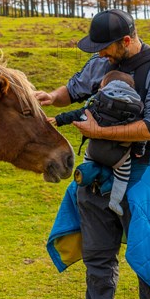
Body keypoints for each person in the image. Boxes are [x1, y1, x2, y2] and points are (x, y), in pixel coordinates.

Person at [37, 9, 150, 299]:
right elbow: (74, 89)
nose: (100, 54)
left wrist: (98, 132)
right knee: (97, 259)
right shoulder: (100, 63)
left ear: (126, 41)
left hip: (140, 175)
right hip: (96, 175)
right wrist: (51, 97)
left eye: (105, 47)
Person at [51, 70, 144, 216]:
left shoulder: (99, 102)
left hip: (94, 150)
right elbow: (140, 132)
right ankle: (114, 201)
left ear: (105, 86)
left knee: (87, 163)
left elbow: (78, 114)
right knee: (122, 177)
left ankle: (83, 183)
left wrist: (59, 119)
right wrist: (139, 149)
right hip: (118, 158)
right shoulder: (136, 107)